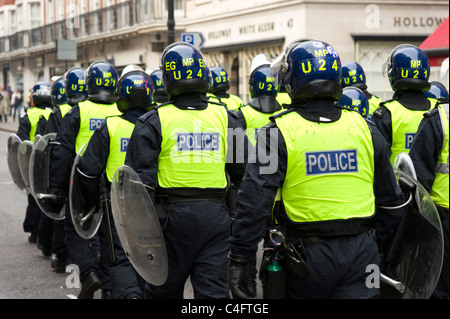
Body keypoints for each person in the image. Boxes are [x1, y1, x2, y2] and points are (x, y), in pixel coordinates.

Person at [227, 39, 406, 299]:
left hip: (305, 259)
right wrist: (393, 257)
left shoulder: (276, 133)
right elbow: (390, 202)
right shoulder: (366, 128)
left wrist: (241, 258)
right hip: (362, 255)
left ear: (293, 80)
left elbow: (254, 201)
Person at [125, 42, 247, 299]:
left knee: (163, 291)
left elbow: (138, 188)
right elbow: (244, 174)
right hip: (217, 217)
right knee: (213, 293)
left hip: (170, 220)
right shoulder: (228, 118)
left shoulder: (153, 121)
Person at [75, 66, 154, 299]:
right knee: (148, 256)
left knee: (120, 257)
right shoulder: (156, 123)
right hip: (151, 204)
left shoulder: (109, 127)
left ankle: (128, 295)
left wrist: (90, 204)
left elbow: (87, 171)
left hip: (116, 204)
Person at [47, 60, 122, 299]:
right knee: (110, 238)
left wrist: (56, 189)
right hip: (114, 185)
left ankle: (89, 275)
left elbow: (60, 151)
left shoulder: (78, 111)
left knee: (76, 232)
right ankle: (110, 289)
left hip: (81, 183)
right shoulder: (121, 110)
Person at [372, 44, 438, 164]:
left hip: (398, 182)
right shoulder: (441, 110)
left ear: (394, 73)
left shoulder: (386, 114)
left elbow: (378, 163)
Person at [16, 82, 53, 244]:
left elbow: (20, 142)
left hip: (33, 163)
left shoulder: (28, 115)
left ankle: (35, 231)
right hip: (51, 163)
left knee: (34, 198)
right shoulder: (55, 112)